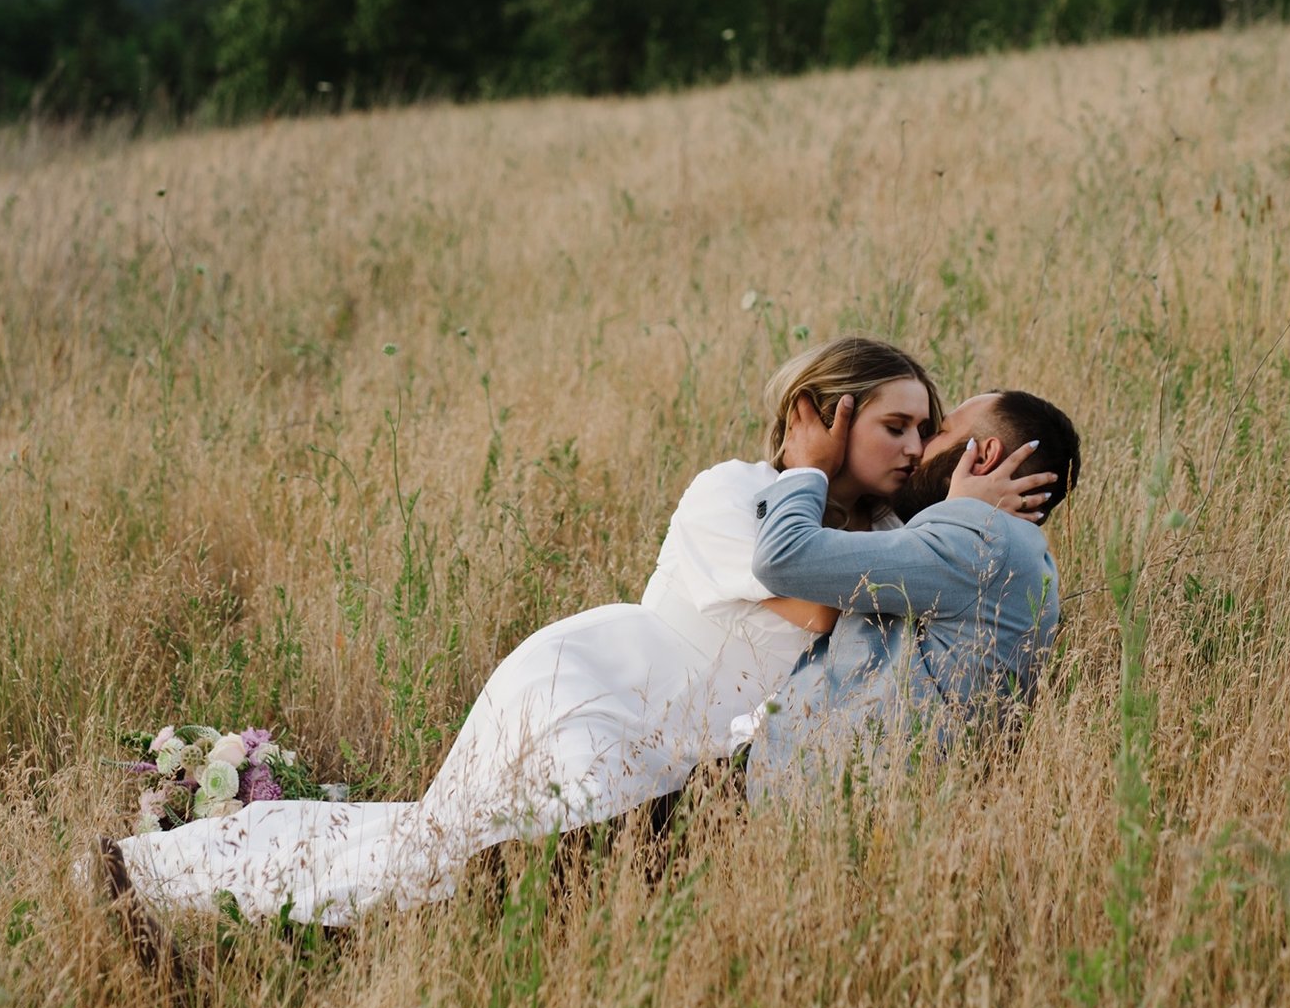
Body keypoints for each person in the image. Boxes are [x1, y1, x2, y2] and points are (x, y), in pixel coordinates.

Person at [97, 336, 942, 926]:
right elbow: (818, 605)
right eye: (891, 425)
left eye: (923, 433)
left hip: (688, 743)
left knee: (465, 870)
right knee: (440, 868)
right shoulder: (734, 491)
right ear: (816, 413)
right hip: (602, 690)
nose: (911, 448)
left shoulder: (875, 539)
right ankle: (151, 876)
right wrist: (812, 473)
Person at [732, 387, 1078, 800]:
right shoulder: (1004, 546)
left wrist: (807, 469)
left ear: (981, 457)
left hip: (836, 806)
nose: (918, 448)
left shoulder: (980, 540)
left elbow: (783, 558)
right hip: (822, 793)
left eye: (940, 432)